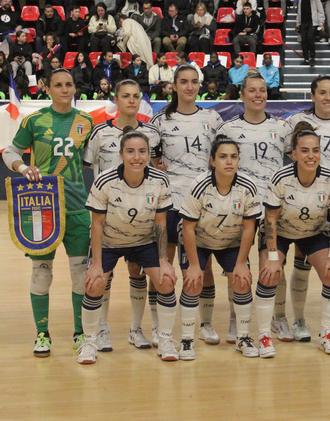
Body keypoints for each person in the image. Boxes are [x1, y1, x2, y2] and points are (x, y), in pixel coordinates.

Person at [1, 68, 94, 358]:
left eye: (69, 84)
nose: (65, 89)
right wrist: (22, 167)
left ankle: (80, 333)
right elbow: (10, 152)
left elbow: (94, 160)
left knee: (80, 276)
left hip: (79, 208)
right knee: (42, 274)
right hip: (43, 209)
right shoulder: (34, 120)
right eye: (59, 85)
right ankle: (42, 334)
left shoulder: (87, 122)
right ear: (48, 89)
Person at [80, 130, 178, 364]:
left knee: (165, 280)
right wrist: (95, 264)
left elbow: (161, 224)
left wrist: (163, 260)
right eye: (131, 151)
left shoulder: (160, 180)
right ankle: (90, 342)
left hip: (143, 242)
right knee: (95, 284)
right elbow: (97, 224)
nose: (137, 157)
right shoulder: (105, 180)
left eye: (142, 151)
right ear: (122, 154)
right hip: (109, 242)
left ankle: (164, 338)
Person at [83, 80, 161, 352]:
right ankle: (102, 330)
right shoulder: (99, 133)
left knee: (136, 271)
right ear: (115, 99)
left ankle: (136, 329)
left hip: (141, 220)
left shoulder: (152, 133)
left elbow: (158, 169)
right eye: (125, 96)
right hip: (107, 220)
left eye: (136, 96)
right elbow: (85, 167)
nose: (131, 100)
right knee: (103, 276)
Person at [149, 64, 223, 345]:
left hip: (204, 201)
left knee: (202, 265)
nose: (189, 87)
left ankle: (205, 324)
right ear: (174, 86)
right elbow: (154, 159)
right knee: (163, 263)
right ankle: (159, 325)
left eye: (194, 82)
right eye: (184, 82)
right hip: (170, 202)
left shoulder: (212, 118)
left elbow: (220, 154)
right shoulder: (161, 121)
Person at [258, 121, 330, 355]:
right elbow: (270, 220)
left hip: (313, 232)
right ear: (294, 154)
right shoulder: (281, 177)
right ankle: (264, 335)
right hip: (281, 231)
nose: (311, 156)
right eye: (304, 151)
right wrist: (274, 256)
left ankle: (326, 333)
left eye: (315, 150)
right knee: (269, 273)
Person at [217, 73, 293, 343]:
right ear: (242, 95)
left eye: (262, 90)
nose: (258, 95)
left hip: (273, 209)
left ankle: (278, 318)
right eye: (252, 90)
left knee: (273, 263)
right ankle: (235, 320)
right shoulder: (228, 129)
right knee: (238, 265)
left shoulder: (283, 127)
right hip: (240, 209)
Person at [286, 75, 330, 341]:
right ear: (313, 95)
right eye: (322, 92)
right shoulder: (296, 122)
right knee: (301, 261)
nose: (328, 97)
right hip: (303, 201)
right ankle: (299, 321)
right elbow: (285, 156)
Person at [178, 137, 260, 359]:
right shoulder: (200, 185)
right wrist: (194, 265)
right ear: (212, 161)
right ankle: (187, 340)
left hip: (230, 241)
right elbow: (187, 227)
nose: (229, 161)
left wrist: (242, 263)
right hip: (198, 239)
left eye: (233, 156)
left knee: (242, 280)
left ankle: (242, 337)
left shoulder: (247, 186)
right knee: (194, 281)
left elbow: (249, 228)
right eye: (223, 156)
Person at [296, 0, 325, 66]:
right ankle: (306, 59)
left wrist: (321, 22)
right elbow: (299, 11)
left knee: (310, 37)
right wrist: (298, 22)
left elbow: (320, 11)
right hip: (303, 22)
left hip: (312, 22)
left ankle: (312, 57)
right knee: (303, 40)